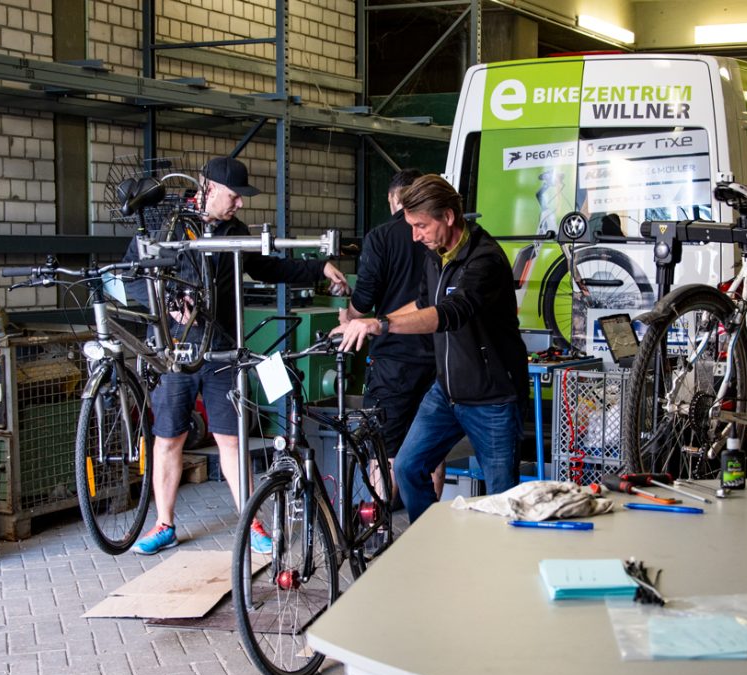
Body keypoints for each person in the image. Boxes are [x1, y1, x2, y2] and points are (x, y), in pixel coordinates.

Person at [128, 156, 349, 554]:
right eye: (234, 196)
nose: (240, 203)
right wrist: (167, 305)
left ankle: (253, 524)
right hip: (175, 350)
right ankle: (164, 524)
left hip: (223, 350)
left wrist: (319, 268)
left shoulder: (235, 231)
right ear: (208, 188)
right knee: (168, 437)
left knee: (231, 440)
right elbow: (133, 277)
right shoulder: (168, 224)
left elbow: (268, 267)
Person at [336, 174, 529, 523]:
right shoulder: (435, 254)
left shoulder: (484, 260)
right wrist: (367, 323)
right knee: (408, 467)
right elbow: (423, 301)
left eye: (421, 225)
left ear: (449, 217)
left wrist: (380, 324)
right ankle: (430, 542)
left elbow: (450, 314)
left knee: (503, 502)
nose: (415, 235)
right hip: (447, 392)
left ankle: (501, 572)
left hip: (493, 397)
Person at [340, 168, 442, 502]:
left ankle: (380, 530)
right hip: (438, 355)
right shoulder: (442, 236)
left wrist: (350, 317)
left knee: (384, 450)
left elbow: (364, 297)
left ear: (392, 198)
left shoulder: (382, 236)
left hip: (393, 358)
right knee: (431, 447)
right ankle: (428, 531)